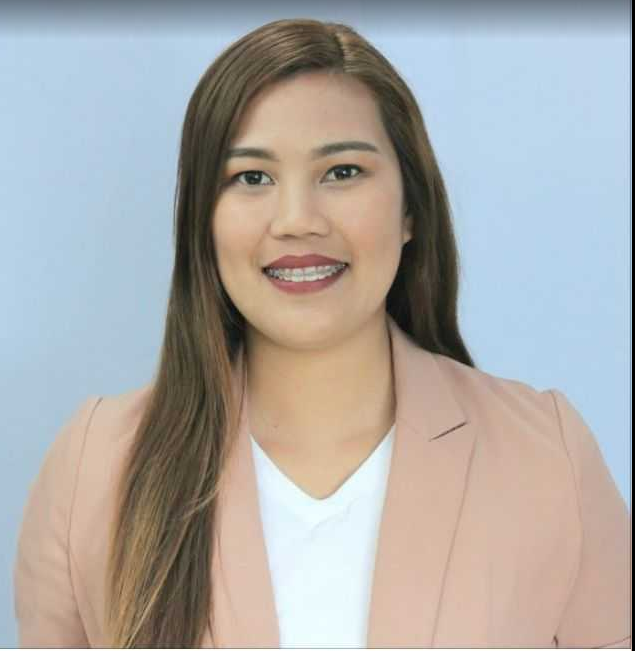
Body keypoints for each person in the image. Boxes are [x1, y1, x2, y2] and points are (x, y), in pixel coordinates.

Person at [13, 18, 630, 649]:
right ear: (202, 218)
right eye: (252, 178)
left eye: (342, 171)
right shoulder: (96, 466)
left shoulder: (545, 456)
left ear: (410, 208)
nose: (297, 220)